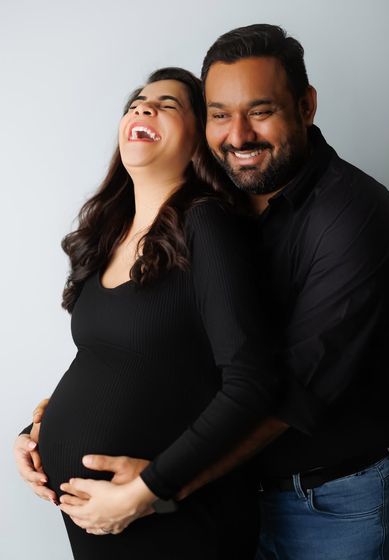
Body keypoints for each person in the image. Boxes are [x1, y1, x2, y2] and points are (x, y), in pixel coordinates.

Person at [16, 24, 389, 559]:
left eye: (261, 111)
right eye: (220, 115)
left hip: (330, 493)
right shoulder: (214, 193)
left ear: (306, 106)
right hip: (229, 490)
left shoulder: (354, 217)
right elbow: (160, 347)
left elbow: (288, 392)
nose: (239, 136)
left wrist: (157, 487)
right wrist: (47, 422)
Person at [14, 65, 307, 559]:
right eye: (136, 103)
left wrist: (149, 488)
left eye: (167, 105)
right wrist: (35, 436)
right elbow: (110, 364)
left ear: (199, 140)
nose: (143, 108)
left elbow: (251, 383)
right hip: (99, 523)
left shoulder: (206, 225)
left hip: (171, 520)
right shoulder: (109, 232)